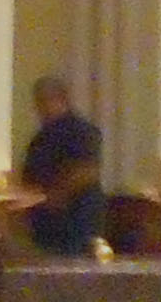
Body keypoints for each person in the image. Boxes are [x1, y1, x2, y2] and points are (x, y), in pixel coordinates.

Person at [21, 73, 105, 256]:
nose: (41, 108)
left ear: (61, 98)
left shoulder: (81, 131)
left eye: (46, 100)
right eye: (38, 102)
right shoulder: (40, 138)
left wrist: (57, 194)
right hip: (45, 223)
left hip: (75, 218)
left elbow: (88, 170)